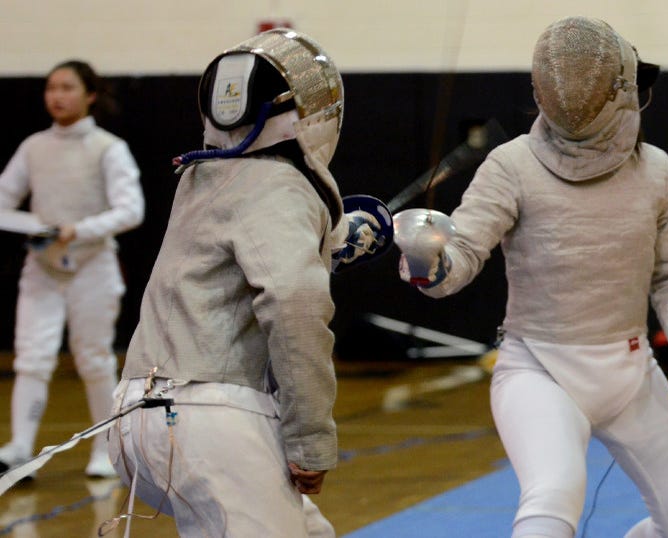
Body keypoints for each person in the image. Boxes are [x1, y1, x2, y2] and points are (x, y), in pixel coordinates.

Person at [394, 16, 668, 538]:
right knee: (553, 500)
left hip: (632, 373)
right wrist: (427, 260)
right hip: (539, 371)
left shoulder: (655, 170)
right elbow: (458, 259)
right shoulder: (512, 165)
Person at [106, 29, 385, 536]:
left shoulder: (200, 179)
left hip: (135, 416)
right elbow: (295, 304)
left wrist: (333, 239)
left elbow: (239, 248)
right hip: (209, 419)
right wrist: (310, 440)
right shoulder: (282, 186)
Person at [0, 60, 144, 478]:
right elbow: (3, 200)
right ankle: (20, 450)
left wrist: (76, 230)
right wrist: (36, 226)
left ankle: (105, 450)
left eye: (67, 87)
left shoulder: (108, 147)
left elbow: (130, 210)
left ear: (90, 95)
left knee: (94, 358)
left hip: (93, 267)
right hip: (43, 267)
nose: (57, 96)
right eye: (51, 88)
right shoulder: (34, 146)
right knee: (32, 357)